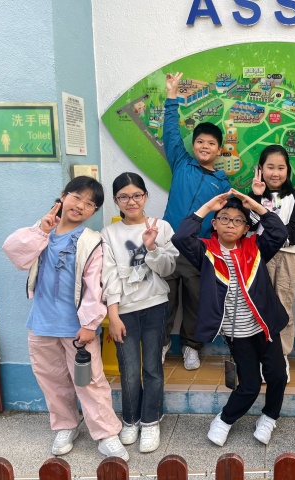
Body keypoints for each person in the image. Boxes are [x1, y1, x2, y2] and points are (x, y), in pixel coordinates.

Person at [2, 176, 129, 461]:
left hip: (76, 328)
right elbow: (14, 253)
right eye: (76, 197)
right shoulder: (42, 232)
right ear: (63, 196)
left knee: (90, 381)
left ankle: (106, 433)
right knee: (52, 380)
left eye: (90, 204)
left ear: (94, 211)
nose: (81, 206)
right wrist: (40, 230)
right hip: (41, 324)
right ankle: (65, 425)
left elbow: (96, 285)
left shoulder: (91, 241)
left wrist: (89, 324)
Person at [171, 190, 289, 447]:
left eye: (238, 220)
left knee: (278, 376)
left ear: (246, 228)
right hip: (237, 334)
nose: (230, 225)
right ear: (214, 224)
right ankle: (224, 419)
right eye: (224, 218)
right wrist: (207, 207)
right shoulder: (205, 251)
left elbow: (279, 232)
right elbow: (180, 237)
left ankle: (269, 417)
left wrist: (256, 206)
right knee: (250, 385)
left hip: (265, 327)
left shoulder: (255, 247)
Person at [101, 172, 178, 453]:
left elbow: (169, 269)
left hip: (155, 306)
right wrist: (113, 315)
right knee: (129, 370)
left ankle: (151, 420)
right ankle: (130, 419)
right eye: (124, 196)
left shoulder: (161, 227)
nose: (131, 201)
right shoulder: (108, 234)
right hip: (124, 311)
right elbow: (108, 276)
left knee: (152, 368)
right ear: (115, 200)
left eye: (137, 195)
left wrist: (152, 246)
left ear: (146, 196)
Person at [162, 71, 232, 370]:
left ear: (219, 149)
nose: (205, 146)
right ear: (193, 145)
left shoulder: (223, 182)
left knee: (195, 300)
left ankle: (191, 346)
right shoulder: (181, 163)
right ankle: (161, 343)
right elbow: (170, 133)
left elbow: (225, 219)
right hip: (167, 245)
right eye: (200, 141)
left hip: (197, 249)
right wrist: (172, 97)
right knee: (164, 299)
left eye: (211, 143)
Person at [248, 145, 295, 382]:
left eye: (281, 168)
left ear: (287, 170)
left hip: (288, 257)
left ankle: (281, 358)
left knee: (283, 307)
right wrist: (256, 196)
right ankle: (263, 358)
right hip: (260, 256)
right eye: (270, 167)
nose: (275, 173)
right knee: (258, 307)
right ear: (260, 169)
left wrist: (274, 239)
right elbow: (250, 225)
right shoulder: (253, 196)